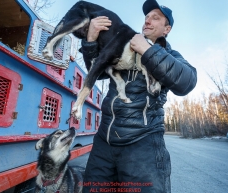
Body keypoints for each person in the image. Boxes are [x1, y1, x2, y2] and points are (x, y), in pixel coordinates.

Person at [80, 0, 197, 192]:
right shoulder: (124, 45)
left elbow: (187, 82)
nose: (148, 21)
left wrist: (147, 50)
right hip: (103, 142)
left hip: (143, 145)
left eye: (155, 18)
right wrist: (90, 41)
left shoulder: (169, 54)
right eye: (146, 17)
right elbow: (97, 71)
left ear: (166, 29)